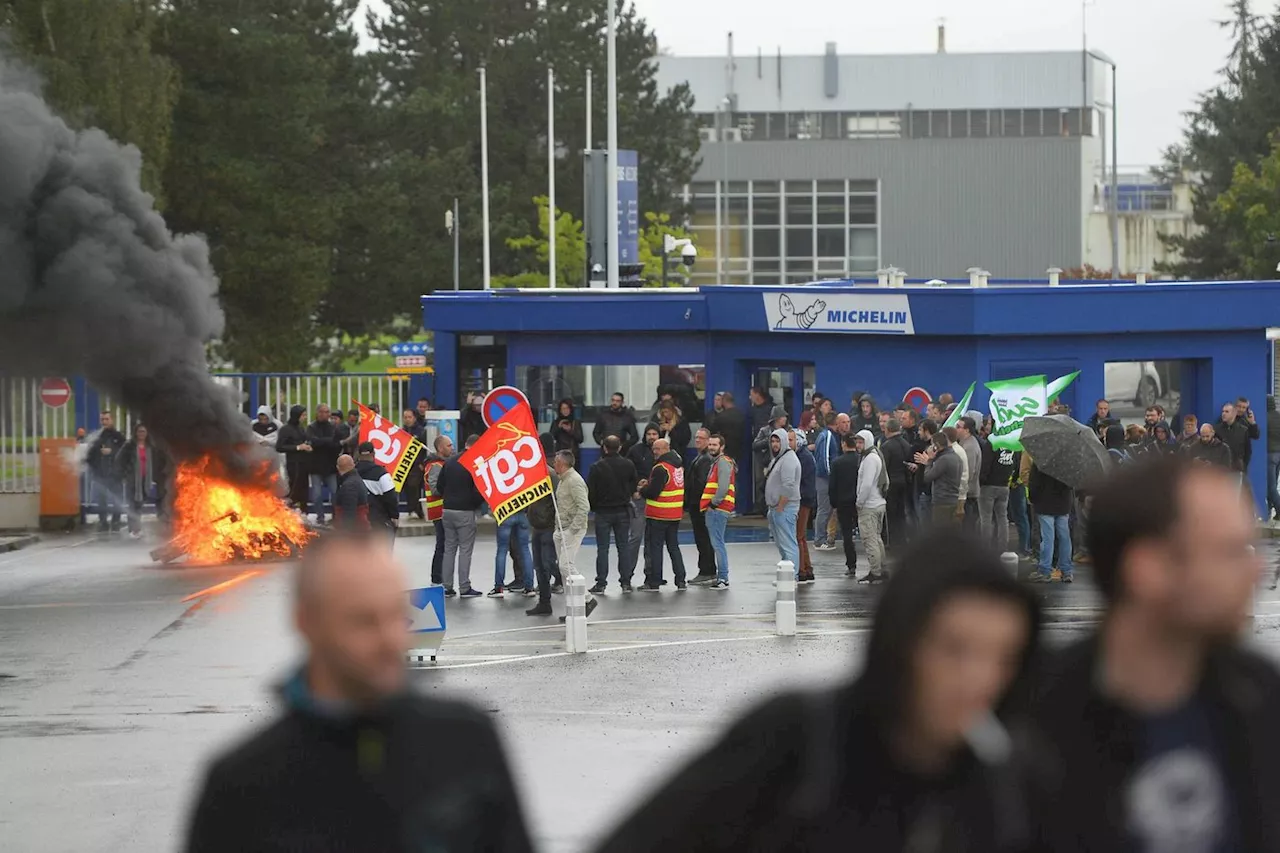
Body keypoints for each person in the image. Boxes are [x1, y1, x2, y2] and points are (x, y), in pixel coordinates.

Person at [596, 529, 1042, 853]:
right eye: (954, 649)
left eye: (1004, 657)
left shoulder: (1001, 787)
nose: (979, 679)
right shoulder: (794, 741)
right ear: (901, 641)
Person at [184, 532, 532, 853]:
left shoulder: (466, 738)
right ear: (307, 622)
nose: (390, 640)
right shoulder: (242, 783)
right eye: (364, 621)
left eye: (397, 616)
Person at [1031, 456, 1279, 853]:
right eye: (1230, 551)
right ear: (1147, 569)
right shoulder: (1038, 721)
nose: (1257, 572)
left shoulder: (1257, 694)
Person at [550, 450, 598, 622]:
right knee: (564, 572)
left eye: (555, 462)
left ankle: (587, 599)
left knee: (565, 565)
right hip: (561, 528)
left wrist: (572, 530)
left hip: (572, 529)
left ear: (562, 464)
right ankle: (573, 607)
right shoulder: (563, 480)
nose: (553, 464)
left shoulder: (574, 481)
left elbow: (584, 507)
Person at [588, 434, 638, 593]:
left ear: (604, 447)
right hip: (622, 510)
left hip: (603, 512)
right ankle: (626, 582)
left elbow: (591, 492)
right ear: (620, 447)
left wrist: (595, 507)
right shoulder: (628, 464)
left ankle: (601, 583)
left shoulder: (596, 467)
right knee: (623, 547)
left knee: (602, 548)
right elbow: (633, 485)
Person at [437, 435, 484, 597]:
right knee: (465, 549)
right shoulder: (475, 463)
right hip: (465, 511)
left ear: (465, 444)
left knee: (449, 549)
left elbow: (439, 485)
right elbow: (480, 489)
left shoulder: (450, 462)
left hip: (447, 509)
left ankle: (447, 587)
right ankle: (464, 587)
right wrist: (474, 504)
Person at [640, 438, 688, 591]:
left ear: (666, 448)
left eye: (657, 449)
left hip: (658, 514)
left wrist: (642, 489)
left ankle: (655, 581)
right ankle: (681, 580)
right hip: (674, 514)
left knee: (656, 548)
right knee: (674, 547)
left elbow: (653, 493)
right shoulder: (678, 466)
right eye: (653, 449)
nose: (654, 452)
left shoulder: (661, 468)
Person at [524, 459, 564, 616]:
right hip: (537, 525)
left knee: (547, 563)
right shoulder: (531, 474)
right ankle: (544, 601)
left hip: (547, 526)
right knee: (539, 565)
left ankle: (561, 579)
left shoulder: (550, 475)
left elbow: (558, 499)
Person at [699, 434, 736, 590]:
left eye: (715, 445)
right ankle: (722, 577)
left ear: (722, 447)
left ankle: (722, 577)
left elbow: (723, 486)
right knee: (718, 543)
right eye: (710, 444)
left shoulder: (722, 462)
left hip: (718, 509)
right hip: (718, 508)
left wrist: (713, 504)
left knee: (718, 544)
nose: (711, 447)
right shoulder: (718, 463)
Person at [623, 425, 659, 584]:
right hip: (639, 500)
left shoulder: (664, 453)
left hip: (657, 500)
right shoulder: (635, 451)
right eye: (649, 434)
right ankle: (627, 576)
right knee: (636, 538)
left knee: (652, 539)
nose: (651, 436)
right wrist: (634, 489)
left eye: (654, 433)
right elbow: (627, 473)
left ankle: (650, 576)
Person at [1027, 462, 1073, 583]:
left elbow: (1033, 484)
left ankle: (1045, 570)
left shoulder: (1041, 461)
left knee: (1048, 538)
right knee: (1064, 538)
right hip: (1063, 504)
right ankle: (1066, 571)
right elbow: (1072, 484)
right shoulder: (1069, 463)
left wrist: (1033, 499)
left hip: (1045, 504)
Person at [765, 428, 801, 576]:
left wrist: (780, 506)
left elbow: (788, 485)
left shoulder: (789, 459)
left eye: (777, 441)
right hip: (776, 508)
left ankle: (792, 576)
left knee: (788, 545)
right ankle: (788, 575)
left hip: (785, 508)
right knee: (783, 545)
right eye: (772, 441)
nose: (774, 444)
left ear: (785, 441)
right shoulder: (779, 458)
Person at [854, 429, 888, 584]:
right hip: (879, 503)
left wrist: (859, 503)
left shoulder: (869, 459)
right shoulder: (874, 455)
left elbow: (866, 484)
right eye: (857, 441)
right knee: (877, 538)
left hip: (869, 505)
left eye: (861, 442)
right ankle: (881, 568)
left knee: (870, 539)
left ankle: (876, 571)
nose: (858, 445)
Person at [684, 428, 717, 584]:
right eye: (696, 437)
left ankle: (707, 570)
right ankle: (707, 569)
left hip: (699, 504)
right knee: (703, 538)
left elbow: (702, 483)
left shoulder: (705, 459)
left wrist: (696, 501)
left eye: (701, 438)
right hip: (697, 503)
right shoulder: (701, 457)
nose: (697, 440)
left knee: (703, 538)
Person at [829, 432, 862, 578]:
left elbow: (832, 486)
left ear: (843, 444)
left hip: (843, 503)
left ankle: (851, 565)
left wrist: (834, 504)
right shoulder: (861, 460)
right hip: (860, 501)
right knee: (867, 533)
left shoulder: (837, 463)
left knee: (847, 534)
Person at [87, 410, 127, 532]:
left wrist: (112, 452)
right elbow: (89, 455)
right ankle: (103, 521)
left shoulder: (118, 436)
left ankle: (116, 520)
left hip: (115, 475)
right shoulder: (97, 437)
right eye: (102, 419)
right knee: (101, 500)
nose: (104, 422)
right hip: (100, 475)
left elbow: (125, 453)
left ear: (112, 420)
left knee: (117, 499)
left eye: (107, 419)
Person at [118, 423, 158, 539]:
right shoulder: (129, 445)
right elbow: (120, 460)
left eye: (144, 431)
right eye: (139, 431)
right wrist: (125, 474)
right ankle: (132, 530)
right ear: (136, 433)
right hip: (132, 480)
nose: (142, 434)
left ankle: (138, 528)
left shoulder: (150, 446)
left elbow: (154, 462)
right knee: (132, 505)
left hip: (145, 480)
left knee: (139, 505)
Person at [355, 442, 399, 544]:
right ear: (373, 454)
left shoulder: (352, 473)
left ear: (359, 455)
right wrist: (394, 516)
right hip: (379, 520)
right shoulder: (381, 473)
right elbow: (391, 497)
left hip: (358, 521)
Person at [422, 435, 452, 584]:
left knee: (444, 545)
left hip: (441, 511)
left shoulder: (439, 464)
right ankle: (437, 578)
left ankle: (439, 578)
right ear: (440, 448)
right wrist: (452, 489)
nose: (452, 448)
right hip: (439, 511)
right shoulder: (435, 466)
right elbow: (435, 489)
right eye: (448, 446)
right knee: (442, 546)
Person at [978, 429, 1015, 550]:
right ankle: (1003, 547)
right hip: (1004, 485)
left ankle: (985, 548)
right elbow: (1017, 463)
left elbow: (986, 464)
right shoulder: (1013, 441)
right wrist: (1012, 479)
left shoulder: (992, 441)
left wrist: (981, 480)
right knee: (1003, 518)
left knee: (986, 519)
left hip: (989, 485)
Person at [879, 417, 911, 554]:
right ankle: (902, 540)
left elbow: (883, 466)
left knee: (890, 515)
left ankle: (891, 542)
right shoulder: (906, 444)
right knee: (901, 513)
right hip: (904, 482)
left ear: (888, 429)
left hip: (891, 483)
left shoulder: (887, 446)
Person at [305, 404, 341, 526]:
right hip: (315, 467)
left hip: (331, 467)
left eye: (326, 412)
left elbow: (336, 445)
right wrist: (326, 441)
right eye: (321, 412)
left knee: (335, 493)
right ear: (317, 413)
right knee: (317, 495)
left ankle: (336, 517)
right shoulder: (311, 427)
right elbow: (312, 442)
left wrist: (321, 442)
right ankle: (320, 518)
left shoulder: (333, 428)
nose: (323, 414)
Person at [918, 430, 963, 527]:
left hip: (942, 500)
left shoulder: (943, 459)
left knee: (941, 531)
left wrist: (929, 461)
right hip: (954, 499)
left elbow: (927, 477)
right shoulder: (956, 457)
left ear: (936, 446)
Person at [791, 428, 817, 584]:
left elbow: (800, 481)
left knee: (798, 536)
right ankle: (806, 567)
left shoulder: (802, 457)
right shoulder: (804, 455)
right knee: (801, 536)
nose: (788, 443)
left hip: (802, 500)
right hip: (805, 499)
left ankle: (802, 569)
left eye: (791, 440)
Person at [752, 405, 789, 516]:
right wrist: (769, 440)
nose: (786, 419)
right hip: (768, 462)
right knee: (765, 484)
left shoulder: (789, 429)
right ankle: (763, 508)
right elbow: (755, 445)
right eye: (783, 416)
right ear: (777, 418)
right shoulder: (765, 431)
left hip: (783, 462)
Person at [490, 508, 534, 598]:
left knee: (502, 550)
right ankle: (529, 587)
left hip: (504, 514)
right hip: (522, 514)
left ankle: (498, 588)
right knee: (525, 550)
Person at [812, 412, 840, 551]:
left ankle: (820, 538)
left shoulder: (825, 435)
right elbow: (825, 458)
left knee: (826, 509)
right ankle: (819, 540)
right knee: (824, 509)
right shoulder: (827, 436)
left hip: (824, 477)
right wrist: (831, 476)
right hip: (825, 478)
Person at [276, 405, 311, 510]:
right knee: (294, 488)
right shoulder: (285, 429)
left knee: (304, 488)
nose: (305, 417)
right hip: (294, 464)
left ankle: (304, 511)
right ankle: (290, 510)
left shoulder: (301, 428)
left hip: (304, 463)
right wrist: (298, 447)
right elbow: (279, 447)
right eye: (303, 415)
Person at [748, 387, 776, 513]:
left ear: (758, 395)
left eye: (751, 394)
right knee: (759, 478)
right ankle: (761, 506)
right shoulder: (753, 411)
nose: (750, 397)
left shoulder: (770, 409)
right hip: (759, 449)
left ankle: (768, 504)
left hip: (772, 449)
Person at [955, 416, 982, 533]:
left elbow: (969, 472)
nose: (956, 429)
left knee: (967, 525)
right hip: (965, 492)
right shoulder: (963, 443)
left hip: (968, 493)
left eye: (958, 427)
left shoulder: (969, 446)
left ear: (967, 430)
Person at [332, 455, 370, 531]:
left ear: (338, 467)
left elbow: (349, 514)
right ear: (353, 465)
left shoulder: (349, 485)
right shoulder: (355, 479)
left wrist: (345, 536)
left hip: (355, 533)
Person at [714, 391, 746, 470]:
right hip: (738, 450)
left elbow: (715, 433)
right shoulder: (740, 415)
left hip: (724, 450)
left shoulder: (721, 417)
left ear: (724, 401)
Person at [552, 398, 584, 464]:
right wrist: (559, 427)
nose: (565, 411)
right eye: (563, 409)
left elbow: (580, 439)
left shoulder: (576, 422)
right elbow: (552, 437)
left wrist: (570, 431)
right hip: (560, 455)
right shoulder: (556, 422)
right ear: (560, 410)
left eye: (567, 408)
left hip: (573, 455)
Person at [1268, 396, 1280, 522]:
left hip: (1270, 454)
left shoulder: (1265, 417)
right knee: (1274, 484)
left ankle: (1279, 509)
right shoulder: (1278, 416)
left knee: (1270, 486)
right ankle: (1273, 512)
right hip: (1278, 454)